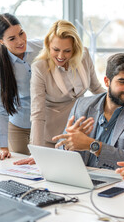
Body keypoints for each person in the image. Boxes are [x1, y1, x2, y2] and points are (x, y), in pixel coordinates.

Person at [14, 20, 105, 165]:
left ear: (75, 49)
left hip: (80, 135)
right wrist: (36, 152)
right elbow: (38, 111)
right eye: (56, 49)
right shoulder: (40, 68)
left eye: (67, 51)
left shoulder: (85, 55)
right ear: (48, 45)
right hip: (53, 138)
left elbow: (97, 89)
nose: (61, 56)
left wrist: (120, 101)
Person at [50, 53, 124, 169]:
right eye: (122, 82)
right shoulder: (82, 105)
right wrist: (67, 145)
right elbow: (62, 148)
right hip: (82, 176)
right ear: (107, 81)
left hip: (119, 180)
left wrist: (93, 146)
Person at [0, 13, 43, 161]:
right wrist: (3, 146)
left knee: (46, 168)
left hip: (44, 124)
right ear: (0, 40)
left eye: (21, 33)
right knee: (21, 170)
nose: (20, 41)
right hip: (18, 127)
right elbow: (0, 108)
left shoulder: (41, 46)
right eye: (12, 38)